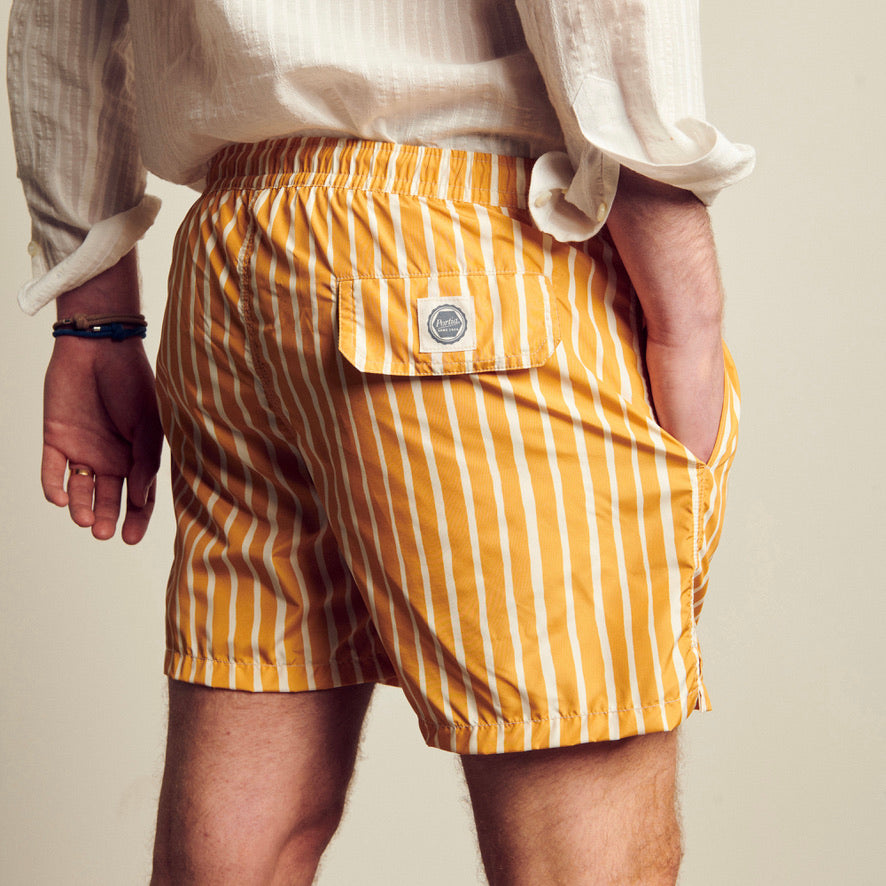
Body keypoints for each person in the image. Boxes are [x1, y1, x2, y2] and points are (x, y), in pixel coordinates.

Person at [7, 1, 754, 883]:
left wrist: (92, 316)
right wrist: (687, 310)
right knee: (580, 836)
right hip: (459, 247)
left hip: (233, 254)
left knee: (238, 851)